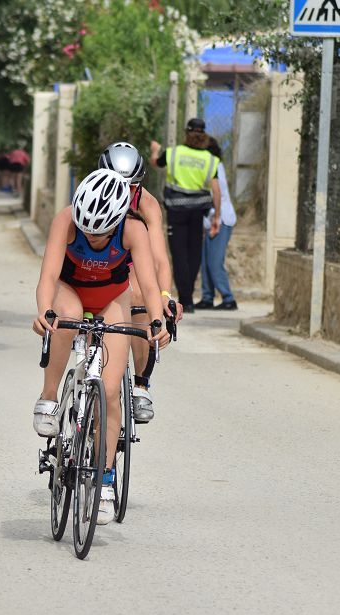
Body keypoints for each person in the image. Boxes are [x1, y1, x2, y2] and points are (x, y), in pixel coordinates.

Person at [32, 169, 170, 525]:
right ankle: (49, 395)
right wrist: (44, 312)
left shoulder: (133, 230)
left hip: (112, 297)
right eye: (88, 231)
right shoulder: (66, 220)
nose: (93, 239)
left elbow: (150, 286)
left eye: (101, 233)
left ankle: (105, 481)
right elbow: (48, 276)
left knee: (110, 392)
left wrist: (157, 320)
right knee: (67, 315)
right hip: (70, 290)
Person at [97, 141, 181, 423]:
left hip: (134, 258)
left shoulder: (146, 204)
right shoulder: (92, 194)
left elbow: (159, 259)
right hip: (100, 258)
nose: (124, 191)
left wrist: (165, 295)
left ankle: (141, 385)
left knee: (144, 296)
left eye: (131, 185)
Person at [149, 118, 221, 313]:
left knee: (179, 254)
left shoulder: (173, 153)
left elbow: (155, 163)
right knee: (194, 253)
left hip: (176, 211)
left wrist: (155, 149)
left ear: (186, 133)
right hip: (198, 212)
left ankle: (186, 299)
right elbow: (216, 190)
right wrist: (217, 217)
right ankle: (188, 295)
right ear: (204, 134)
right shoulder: (210, 159)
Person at [197, 139, 238, 310]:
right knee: (206, 261)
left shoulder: (215, 166)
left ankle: (228, 298)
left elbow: (218, 193)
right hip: (211, 221)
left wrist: (216, 219)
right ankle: (207, 297)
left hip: (221, 220)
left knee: (214, 261)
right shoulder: (208, 166)